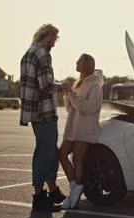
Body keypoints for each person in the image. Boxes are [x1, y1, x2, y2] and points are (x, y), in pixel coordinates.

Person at [20, 24, 69, 211]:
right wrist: (62, 85)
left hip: (34, 112)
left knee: (47, 151)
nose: (54, 44)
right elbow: (46, 85)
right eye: (54, 39)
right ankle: (40, 197)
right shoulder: (42, 53)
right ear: (46, 35)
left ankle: (52, 190)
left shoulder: (29, 52)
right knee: (45, 153)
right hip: (45, 112)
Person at [59, 54, 104, 209]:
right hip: (73, 127)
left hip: (85, 128)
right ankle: (75, 189)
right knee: (62, 154)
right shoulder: (80, 83)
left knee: (78, 160)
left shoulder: (95, 85)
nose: (76, 62)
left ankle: (74, 193)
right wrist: (67, 93)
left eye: (79, 61)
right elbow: (69, 107)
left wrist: (70, 94)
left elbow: (88, 108)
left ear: (87, 65)